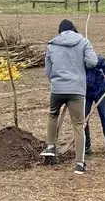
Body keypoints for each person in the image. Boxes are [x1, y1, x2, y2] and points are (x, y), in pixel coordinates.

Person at [41, 19, 98, 175]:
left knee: (53, 114)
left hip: (58, 88)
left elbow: (48, 70)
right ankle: (79, 164)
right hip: (77, 90)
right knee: (78, 125)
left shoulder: (51, 45)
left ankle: (50, 146)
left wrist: (55, 80)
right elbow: (93, 62)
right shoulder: (83, 42)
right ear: (74, 29)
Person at [84, 55, 105, 157]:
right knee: (83, 118)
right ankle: (86, 145)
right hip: (85, 92)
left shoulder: (90, 57)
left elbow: (104, 62)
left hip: (100, 89)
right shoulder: (74, 62)